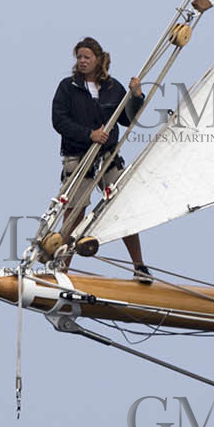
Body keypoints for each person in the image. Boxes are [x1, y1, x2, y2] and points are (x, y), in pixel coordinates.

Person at [50, 37, 150, 282]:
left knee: (121, 206)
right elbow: (59, 120)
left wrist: (136, 97)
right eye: (79, 58)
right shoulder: (68, 87)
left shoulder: (113, 88)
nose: (82, 61)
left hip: (108, 156)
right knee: (74, 213)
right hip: (78, 156)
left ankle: (139, 267)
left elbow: (127, 120)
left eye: (87, 57)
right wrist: (89, 134)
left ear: (98, 59)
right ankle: (60, 269)